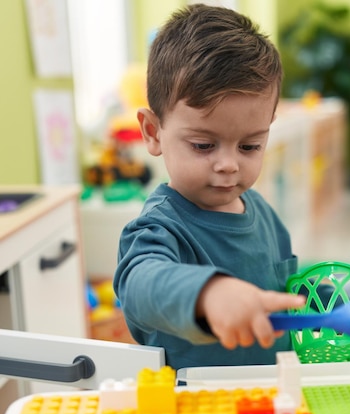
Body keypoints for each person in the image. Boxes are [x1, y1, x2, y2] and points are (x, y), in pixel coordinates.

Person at [113, 4, 307, 370]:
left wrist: (326, 303)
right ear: (153, 133)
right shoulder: (159, 227)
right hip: (192, 402)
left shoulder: (262, 213)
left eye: (250, 146)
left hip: (269, 395)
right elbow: (140, 285)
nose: (229, 164)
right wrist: (208, 293)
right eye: (203, 145)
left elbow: (286, 292)